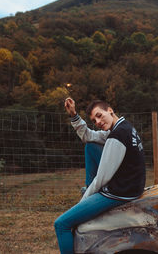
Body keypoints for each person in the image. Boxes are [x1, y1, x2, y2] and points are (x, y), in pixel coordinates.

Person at [54, 97, 146, 254]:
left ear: (110, 110)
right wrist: (74, 115)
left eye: (99, 115)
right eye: (94, 120)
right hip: (131, 185)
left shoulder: (116, 137)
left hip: (120, 193)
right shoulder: (124, 127)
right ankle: (88, 190)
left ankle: (87, 194)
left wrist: (83, 202)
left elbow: (102, 179)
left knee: (62, 224)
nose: (97, 121)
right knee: (90, 146)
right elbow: (88, 136)